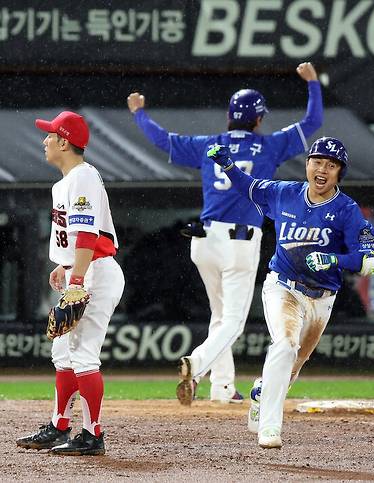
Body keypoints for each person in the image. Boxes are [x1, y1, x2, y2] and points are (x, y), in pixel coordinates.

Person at [126, 62, 323, 404]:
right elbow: (313, 123)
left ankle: (223, 387)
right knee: (233, 320)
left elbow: (163, 141)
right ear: (258, 119)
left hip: (204, 242)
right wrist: (313, 83)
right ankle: (198, 363)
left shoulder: (208, 144)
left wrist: (140, 114)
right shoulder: (270, 146)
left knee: (220, 315)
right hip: (239, 244)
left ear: (229, 116)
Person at [207, 137, 374, 449]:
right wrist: (227, 165)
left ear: (340, 173)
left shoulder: (347, 210)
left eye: (331, 165)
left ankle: (262, 392)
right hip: (282, 287)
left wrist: (334, 260)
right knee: (285, 344)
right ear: (307, 165)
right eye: (317, 161)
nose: (322, 169)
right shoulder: (285, 192)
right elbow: (248, 187)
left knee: (294, 365)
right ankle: (269, 428)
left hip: (323, 299)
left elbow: (371, 261)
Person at [17, 111, 124, 455]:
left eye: (50, 135)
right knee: (62, 353)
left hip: (95, 272)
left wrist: (76, 278)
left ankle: (93, 434)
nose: (45, 140)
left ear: (65, 142)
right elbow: (75, 235)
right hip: (81, 270)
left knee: (82, 354)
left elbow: (89, 234)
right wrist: (65, 268)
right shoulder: (64, 182)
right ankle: (59, 425)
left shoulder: (82, 177)